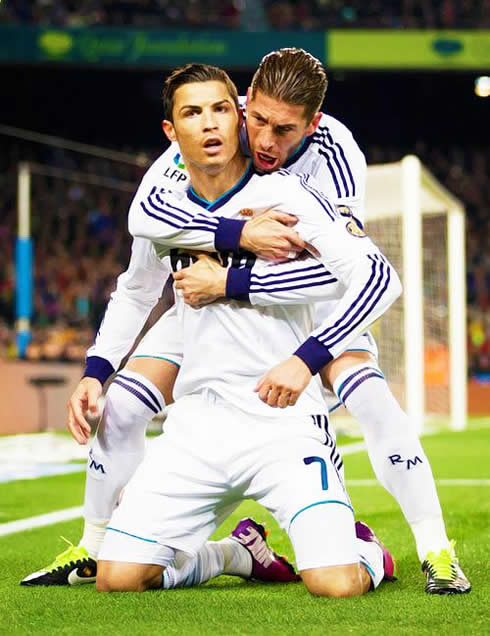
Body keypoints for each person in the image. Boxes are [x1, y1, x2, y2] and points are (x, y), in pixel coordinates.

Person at [22, 49, 470, 595]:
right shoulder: (201, 136)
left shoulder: (320, 169)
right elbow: (142, 235)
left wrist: (238, 287)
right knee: (119, 402)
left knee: (370, 396)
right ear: (242, 106)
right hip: (203, 331)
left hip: (299, 312)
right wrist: (97, 367)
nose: (263, 142)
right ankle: (101, 548)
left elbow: (343, 278)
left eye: (283, 131)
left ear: (312, 125)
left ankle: (433, 548)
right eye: (255, 120)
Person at [95, 62, 400, 596]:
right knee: (118, 578)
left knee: (335, 584)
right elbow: (136, 284)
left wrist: (306, 358)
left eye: (219, 109)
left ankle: (368, 552)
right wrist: (96, 370)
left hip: (282, 422)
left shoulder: (290, 196)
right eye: (193, 113)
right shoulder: (163, 207)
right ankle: (234, 555)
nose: (210, 124)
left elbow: (378, 277)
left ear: (236, 116)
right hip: (195, 424)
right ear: (173, 131)